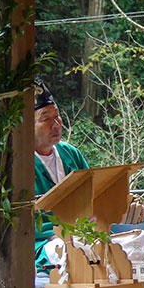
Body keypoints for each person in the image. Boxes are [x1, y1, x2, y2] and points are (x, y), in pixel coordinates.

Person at [32, 78, 91, 271]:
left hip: (83, 234)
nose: (56, 124)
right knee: (69, 252)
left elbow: (93, 195)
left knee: (142, 241)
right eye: (45, 118)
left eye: (57, 116)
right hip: (41, 244)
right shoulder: (19, 164)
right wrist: (59, 233)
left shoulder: (70, 154)